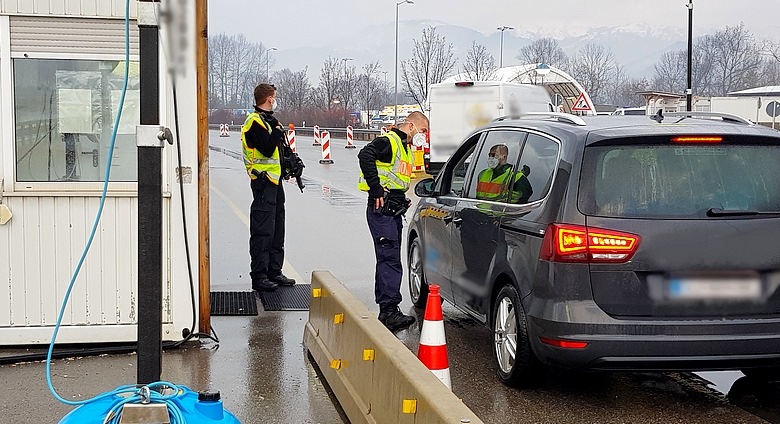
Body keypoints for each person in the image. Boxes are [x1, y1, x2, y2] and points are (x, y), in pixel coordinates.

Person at [357, 111, 429, 332]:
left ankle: (387, 308)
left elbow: (395, 178)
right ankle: (389, 311)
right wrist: (376, 187)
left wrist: (400, 198)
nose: (424, 136)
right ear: (411, 125)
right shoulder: (390, 141)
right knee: (389, 260)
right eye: (423, 130)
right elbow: (364, 155)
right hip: (382, 210)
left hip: (391, 209)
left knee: (388, 258)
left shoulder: (404, 147)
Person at [241, 83, 296, 292]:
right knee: (263, 230)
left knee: (277, 229)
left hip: (275, 181)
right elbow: (266, 148)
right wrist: (277, 131)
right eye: (274, 97)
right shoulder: (254, 122)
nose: (275, 100)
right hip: (263, 182)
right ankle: (259, 276)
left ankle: (275, 271)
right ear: (269, 99)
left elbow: (279, 152)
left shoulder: (269, 121)